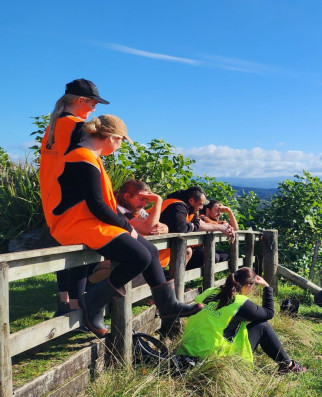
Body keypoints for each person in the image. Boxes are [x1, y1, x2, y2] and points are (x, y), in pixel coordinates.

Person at [44, 115, 202, 337]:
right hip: (75, 224)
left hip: (88, 222)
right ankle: (93, 300)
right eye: (121, 140)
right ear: (110, 137)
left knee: (151, 250)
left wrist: (128, 229)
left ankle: (167, 306)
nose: (120, 145)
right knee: (140, 255)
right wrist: (129, 228)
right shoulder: (82, 158)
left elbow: (99, 206)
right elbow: (98, 205)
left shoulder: (90, 156)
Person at [39, 78, 109, 316]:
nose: (94, 108)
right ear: (80, 100)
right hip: (73, 200)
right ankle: (78, 306)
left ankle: (65, 301)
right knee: (82, 253)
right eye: (92, 102)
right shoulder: (78, 127)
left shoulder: (52, 126)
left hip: (52, 198)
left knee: (65, 250)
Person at [178, 267, 306, 374]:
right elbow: (269, 313)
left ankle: (287, 364)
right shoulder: (240, 302)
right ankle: (288, 365)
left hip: (187, 349)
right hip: (212, 357)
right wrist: (266, 287)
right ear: (247, 286)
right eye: (252, 287)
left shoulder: (210, 291)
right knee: (263, 326)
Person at [159, 187, 235, 270]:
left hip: (161, 254)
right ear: (192, 201)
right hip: (155, 249)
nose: (202, 207)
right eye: (200, 204)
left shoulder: (189, 209)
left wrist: (223, 227)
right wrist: (192, 226)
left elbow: (197, 224)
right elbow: (181, 227)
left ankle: (175, 280)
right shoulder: (177, 206)